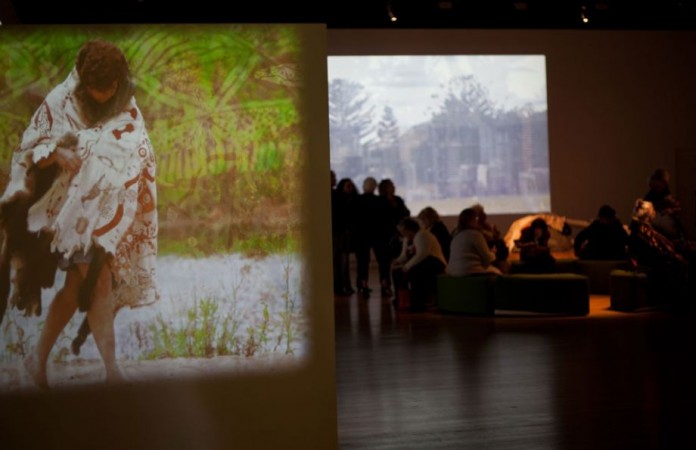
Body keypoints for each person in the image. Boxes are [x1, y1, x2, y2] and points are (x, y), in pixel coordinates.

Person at [0, 40, 158, 388]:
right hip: (69, 212)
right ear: (83, 85)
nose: (103, 96)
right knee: (95, 282)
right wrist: (58, 154)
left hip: (108, 210)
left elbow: (137, 145)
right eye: (95, 90)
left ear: (119, 81)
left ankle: (37, 360)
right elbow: (31, 148)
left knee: (76, 287)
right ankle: (111, 372)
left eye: (110, 88)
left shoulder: (125, 99)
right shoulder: (61, 99)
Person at [391, 217, 446, 311]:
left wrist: (407, 267)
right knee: (397, 272)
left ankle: (418, 302)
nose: (402, 234)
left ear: (410, 229)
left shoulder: (422, 235)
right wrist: (396, 262)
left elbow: (422, 254)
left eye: (404, 231)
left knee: (415, 272)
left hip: (434, 265)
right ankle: (401, 299)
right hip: (421, 264)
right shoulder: (407, 239)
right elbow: (404, 255)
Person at [376, 178, 410, 297]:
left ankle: (399, 287)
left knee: (399, 261)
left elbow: (406, 213)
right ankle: (385, 287)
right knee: (384, 265)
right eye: (391, 185)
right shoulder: (379, 202)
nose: (394, 187)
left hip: (397, 236)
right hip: (383, 238)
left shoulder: (398, 200)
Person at [447, 208, 501, 276]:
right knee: (498, 273)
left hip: (454, 274)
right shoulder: (475, 235)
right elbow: (488, 258)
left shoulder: (456, 236)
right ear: (472, 220)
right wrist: (493, 253)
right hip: (472, 272)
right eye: (476, 218)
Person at [355, 177, 381, 297]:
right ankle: (385, 284)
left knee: (363, 262)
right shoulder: (378, 201)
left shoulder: (358, 200)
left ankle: (362, 284)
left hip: (361, 236)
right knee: (382, 261)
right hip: (377, 235)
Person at [470, 203, 509, 273]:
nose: (484, 215)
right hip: (482, 260)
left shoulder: (488, 227)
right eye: (481, 214)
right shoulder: (475, 232)